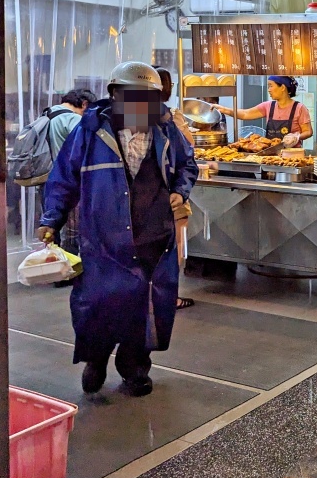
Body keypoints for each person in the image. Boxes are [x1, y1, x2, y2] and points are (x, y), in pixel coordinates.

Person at [37, 61, 198, 397]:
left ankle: (134, 368)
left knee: (147, 306)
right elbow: (64, 177)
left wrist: (179, 190)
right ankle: (95, 359)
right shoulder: (90, 131)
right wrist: (51, 219)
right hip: (103, 238)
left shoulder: (166, 130)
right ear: (115, 96)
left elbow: (187, 164)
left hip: (154, 237)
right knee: (98, 303)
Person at [155, 68, 196, 311]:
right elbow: (188, 150)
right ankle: (170, 295)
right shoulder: (172, 118)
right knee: (175, 245)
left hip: (162, 195)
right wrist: (180, 192)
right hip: (171, 196)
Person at [45, 88, 97, 257]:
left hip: (48, 179)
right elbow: (86, 148)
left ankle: (54, 267)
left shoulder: (48, 114)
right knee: (72, 231)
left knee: (54, 229)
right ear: (84, 104)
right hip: (70, 181)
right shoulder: (73, 120)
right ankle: (69, 269)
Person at [216, 76, 312, 147]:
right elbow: (246, 114)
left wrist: (297, 137)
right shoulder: (268, 106)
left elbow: (308, 132)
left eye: (271, 86)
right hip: (270, 156)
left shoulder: (299, 108)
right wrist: (223, 109)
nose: (269, 90)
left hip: (292, 155)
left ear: (283, 87)